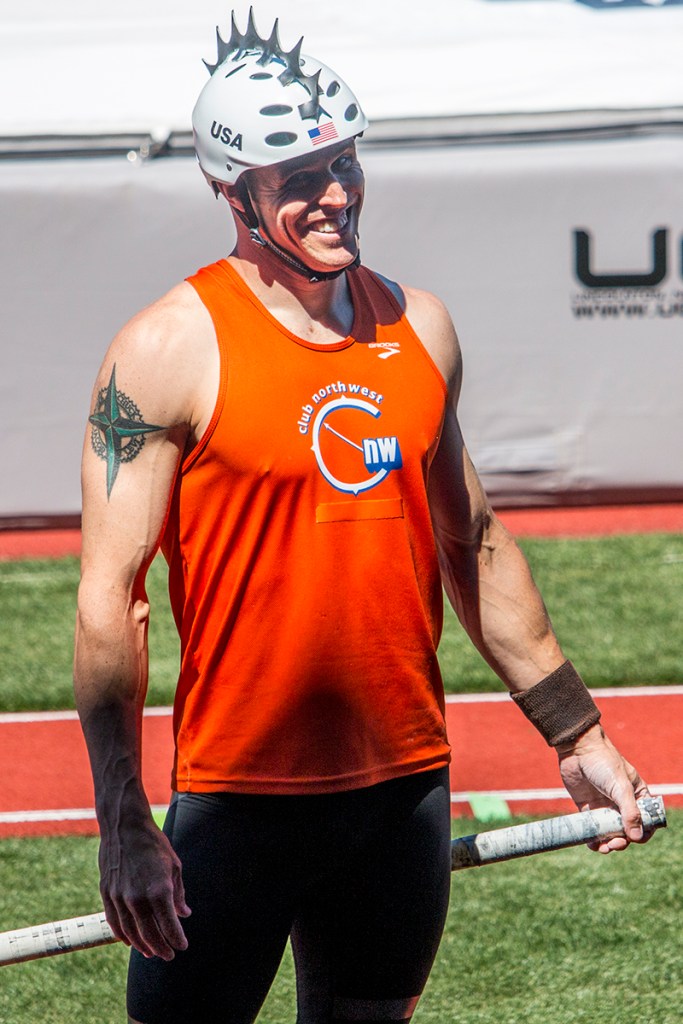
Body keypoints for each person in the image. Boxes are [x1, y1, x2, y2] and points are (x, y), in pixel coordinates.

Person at [74, 11, 651, 1024]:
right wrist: (123, 816)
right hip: (239, 797)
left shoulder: (417, 325)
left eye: (343, 161)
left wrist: (577, 734)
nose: (335, 192)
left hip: (401, 792)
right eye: (300, 177)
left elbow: (470, 541)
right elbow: (109, 599)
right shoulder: (165, 347)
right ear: (233, 192)